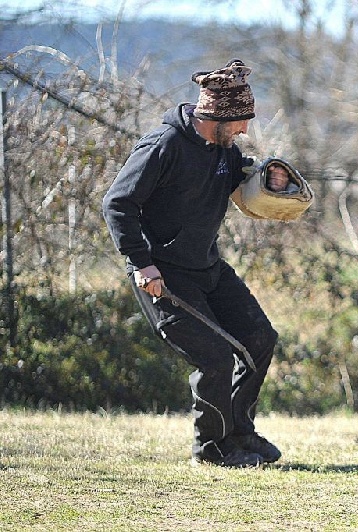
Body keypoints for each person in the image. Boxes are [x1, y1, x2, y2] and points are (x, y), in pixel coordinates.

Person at [102, 58, 281, 468]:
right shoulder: (162, 146)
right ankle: (212, 448)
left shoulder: (224, 150)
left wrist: (271, 179)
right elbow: (117, 204)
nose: (244, 131)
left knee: (260, 339)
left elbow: (245, 178)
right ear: (215, 117)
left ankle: (239, 433)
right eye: (239, 122)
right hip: (163, 274)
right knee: (215, 357)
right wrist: (141, 264)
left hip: (208, 267)